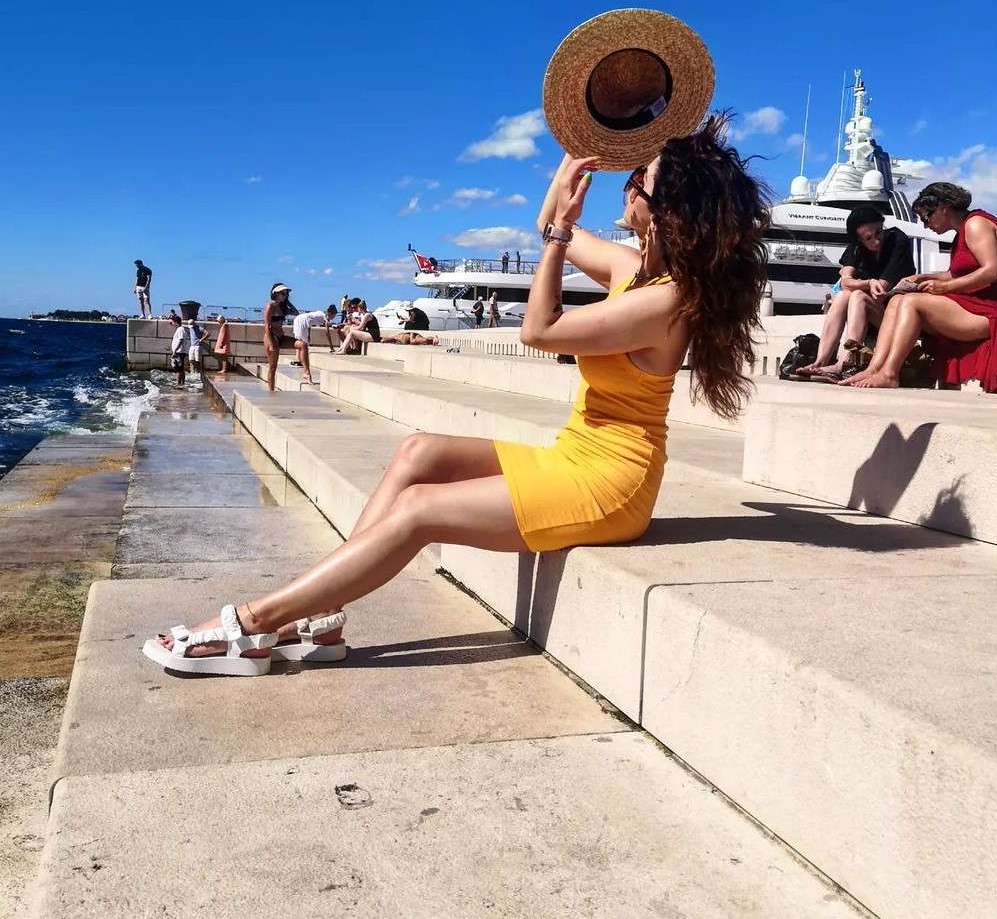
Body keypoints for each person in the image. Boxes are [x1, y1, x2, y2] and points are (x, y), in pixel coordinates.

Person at [142, 129, 769, 674]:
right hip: (576, 453)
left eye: (639, 181)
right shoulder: (637, 271)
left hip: (612, 483)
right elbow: (549, 219)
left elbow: (540, 329)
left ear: (670, 214)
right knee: (419, 452)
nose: (626, 186)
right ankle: (322, 615)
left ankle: (257, 621)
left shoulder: (666, 300)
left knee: (420, 511)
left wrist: (556, 241)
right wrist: (575, 157)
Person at [842, 182, 997, 391]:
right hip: (977, 303)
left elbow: (992, 271)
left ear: (943, 208)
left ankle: (890, 374)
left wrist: (946, 288)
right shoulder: (962, 231)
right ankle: (874, 369)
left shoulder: (976, 224)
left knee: (911, 302)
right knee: (897, 300)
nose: (926, 225)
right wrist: (921, 276)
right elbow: (956, 273)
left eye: (926, 217)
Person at [795, 205, 915, 379]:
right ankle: (821, 361)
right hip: (865, 314)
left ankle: (846, 361)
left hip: (891, 315)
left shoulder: (897, 241)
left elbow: (881, 289)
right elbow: (845, 282)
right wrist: (868, 282)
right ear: (859, 240)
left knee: (857, 295)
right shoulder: (857, 248)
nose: (876, 240)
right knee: (843, 296)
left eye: (879, 232)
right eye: (868, 238)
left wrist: (859, 284)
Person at [263, 283, 299, 392]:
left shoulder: (282, 307)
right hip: (272, 337)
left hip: (281, 336)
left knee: (302, 344)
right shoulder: (271, 306)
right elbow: (267, 325)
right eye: (282, 293)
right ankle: (271, 390)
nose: (285, 295)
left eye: (286, 293)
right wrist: (271, 343)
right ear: (276, 293)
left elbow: (295, 312)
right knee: (273, 366)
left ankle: (307, 372)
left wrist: (287, 301)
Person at [292, 305, 339, 382]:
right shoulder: (325, 317)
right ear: (331, 313)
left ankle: (299, 361)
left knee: (301, 343)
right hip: (302, 322)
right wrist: (331, 347)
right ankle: (303, 368)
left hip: (299, 320)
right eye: (334, 315)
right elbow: (327, 333)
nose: (333, 317)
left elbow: (309, 323)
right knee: (303, 345)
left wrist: (308, 335)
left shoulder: (319, 313)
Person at [169, 314, 189, 388]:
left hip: (179, 352)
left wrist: (175, 351)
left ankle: (179, 385)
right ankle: (182, 384)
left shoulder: (180, 329)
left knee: (178, 369)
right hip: (180, 351)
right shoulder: (181, 329)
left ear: (176, 322)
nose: (173, 324)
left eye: (174, 322)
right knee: (181, 369)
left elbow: (181, 340)